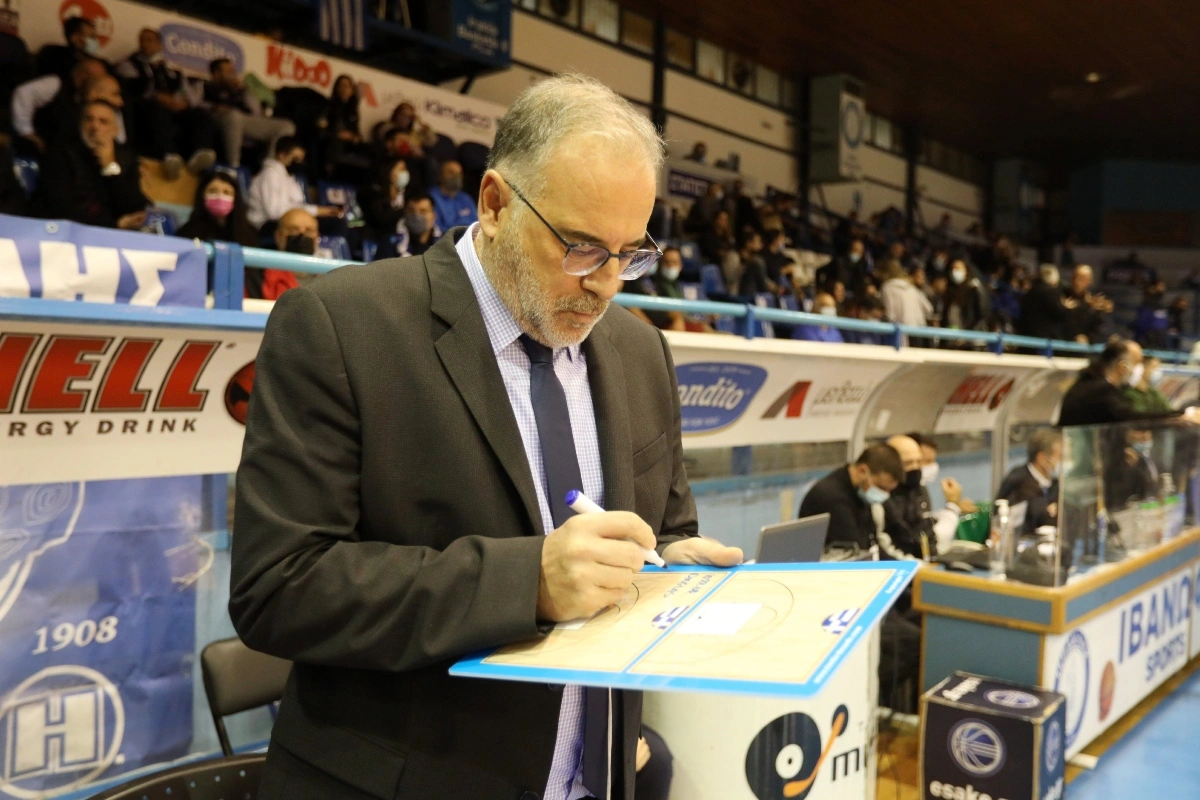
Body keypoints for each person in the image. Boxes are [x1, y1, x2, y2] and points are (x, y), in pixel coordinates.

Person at [229, 73, 742, 800]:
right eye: (581, 247)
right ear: (496, 204)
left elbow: (664, 530)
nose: (606, 283)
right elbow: (279, 587)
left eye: (631, 253)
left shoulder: (640, 351)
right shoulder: (342, 326)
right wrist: (527, 581)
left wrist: (671, 566)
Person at [115, 28, 216, 179]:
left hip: (174, 108)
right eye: (142, 40)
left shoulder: (171, 69)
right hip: (147, 107)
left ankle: (198, 155)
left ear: (160, 45)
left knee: (200, 115)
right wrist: (157, 96)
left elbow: (187, 91)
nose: (145, 43)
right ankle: (169, 156)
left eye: (150, 40)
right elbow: (131, 87)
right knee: (157, 110)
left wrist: (184, 103)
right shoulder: (129, 64)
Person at [30, 100, 147, 230]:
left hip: (109, 232)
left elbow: (134, 208)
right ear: (80, 124)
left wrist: (110, 168)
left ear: (115, 130)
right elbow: (62, 209)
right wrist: (114, 225)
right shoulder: (60, 153)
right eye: (89, 119)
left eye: (103, 121)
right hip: (59, 230)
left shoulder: (126, 157)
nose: (94, 126)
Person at [1059, 339, 1197, 426]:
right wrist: (1182, 415)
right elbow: (1130, 417)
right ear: (1122, 367)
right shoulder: (1099, 390)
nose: (1140, 369)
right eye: (1138, 362)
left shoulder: (1092, 382)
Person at [798, 443, 904, 551]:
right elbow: (857, 551)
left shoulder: (859, 491)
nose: (885, 495)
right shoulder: (832, 498)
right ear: (862, 471)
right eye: (881, 487)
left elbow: (871, 543)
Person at [881, 435, 963, 560]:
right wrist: (952, 508)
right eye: (908, 463)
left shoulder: (917, 489)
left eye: (919, 462)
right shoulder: (883, 497)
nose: (915, 468)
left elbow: (926, 531)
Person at [204, 57, 295, 167]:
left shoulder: (241, 91)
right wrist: (213, 107)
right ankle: (233, 166)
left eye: (233, 71)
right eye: (228, 71)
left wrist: (245, 91)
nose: (233, 74)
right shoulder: (205, 86)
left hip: (245, 120)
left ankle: (269, 168)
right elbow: (195, 103)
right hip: (219, 117)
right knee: (234, 116)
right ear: (216, 74)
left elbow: (257, 112)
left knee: (287, 126)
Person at [11, 57, 109, 152]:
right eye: (97, 80)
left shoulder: (86, 98)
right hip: (34, 148)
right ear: (85, 75)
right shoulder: (55, 83)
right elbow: (23, 93)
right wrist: (26, 131)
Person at [246, 136, 341, 233]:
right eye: (295, 159)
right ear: (282, 155)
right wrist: (316, 211)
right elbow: (274, 212)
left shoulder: (288, 177)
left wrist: (318, 211)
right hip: (268, 224)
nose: (299, 163)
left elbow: (296, 203)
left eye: (301, 160)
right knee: (334, 224)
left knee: (335, 221)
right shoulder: (270, 175)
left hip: (288, 219)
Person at [240, 207, 317, 300]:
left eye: (309, 230)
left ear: (317, 237)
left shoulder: (328, 280)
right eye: (293, 230)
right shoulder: (257, 279)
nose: (302, 235)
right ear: (278, 236)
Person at [997, 429, 1061, 534]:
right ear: (1042, 458)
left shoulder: (1055, 482)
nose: (1062, 461)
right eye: (1060, 456)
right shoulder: (1017, 481)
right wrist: (1047, 511)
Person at [177, 170, 257, 247]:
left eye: (226, 192)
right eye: (212, 191)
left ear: (236, 199)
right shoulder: (187, 232)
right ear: (202, 196)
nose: (220, 196)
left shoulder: (249, 234)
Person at [320, 74, 365, 178]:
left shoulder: (353, 110)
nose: (345, 89)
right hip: (331, 139)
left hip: (349, 143)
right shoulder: (328, 106)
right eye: (342, 85)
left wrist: (355, 137)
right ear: (336, 88)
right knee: (335, 144)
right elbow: (321, 130)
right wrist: (337, 134)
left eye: (348, 86)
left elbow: (356, 132)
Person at [1016, 264, 1074, 341]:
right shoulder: (1050, 292)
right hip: (1043, 338)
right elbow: (1059, 313)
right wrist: (1065, 307)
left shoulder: (1031, 291)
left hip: (1027, 335)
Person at [879, 259, 932, 336]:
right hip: (919, 330)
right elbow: (929, 309)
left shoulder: (887, 287)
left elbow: (890, 314)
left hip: (901, 331)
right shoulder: (911, 287)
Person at [36, 17, 100, 80]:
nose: (95, 41)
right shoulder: (53, 57)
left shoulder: (99, 63)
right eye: (91, 37)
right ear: (75, 38)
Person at [1062, 264, 1110, 344]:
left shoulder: (1093, 305)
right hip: (1060, 343)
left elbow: (1100, 328)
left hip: (1080, 347)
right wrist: (1062, 308)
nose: (1077, 281)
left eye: (1082, 278)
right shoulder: (1061, 296)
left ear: (1089, 282)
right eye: (1075, 277)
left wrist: (1088, 339)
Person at [941, 259, 991, 333]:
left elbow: (982, 314)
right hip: (953, 335)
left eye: (958, 268)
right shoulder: (950, 291)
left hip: (971, 335)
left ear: (966, 270)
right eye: (953, 268)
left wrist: (970, 333)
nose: (955, 271)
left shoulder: (974, 289)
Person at [429, 159, 478, 232]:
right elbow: (436, 229)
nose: (456, 176)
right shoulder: (432, 197)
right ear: (440, 175)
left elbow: (476, 224)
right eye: (451, 172)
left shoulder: (466, 198)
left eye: (459, 173)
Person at [1132, 280, 1170, 349]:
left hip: (1160, 340)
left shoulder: (1162, 306)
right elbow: (1141, 323)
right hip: (1147, 339)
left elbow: (1164, 323)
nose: (1163, 289)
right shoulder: (1147, 305)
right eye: (1160, 286)